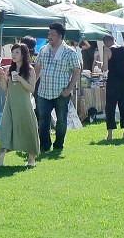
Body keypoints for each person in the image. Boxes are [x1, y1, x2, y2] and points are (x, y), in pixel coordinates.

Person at [34, 22, 81, 152]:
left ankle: (58, 145)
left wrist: (69, 89)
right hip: (43, 91)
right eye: (49, 34)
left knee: (61, 121)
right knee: (43, 119)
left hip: (61, 92)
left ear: (60, 36)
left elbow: (77, 71)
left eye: (52, 35)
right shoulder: (43, 50)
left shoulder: (69, 52)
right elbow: (37, 69)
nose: (49, 37)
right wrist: (32, 86)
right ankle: (45, 145)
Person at [0, 43, 40, 167]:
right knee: (5, 130)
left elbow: (31, 88)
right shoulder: (10, 69)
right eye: (13, 52)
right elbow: (5, 88)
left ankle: (31, 159)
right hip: (10, 104)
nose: (14, 55)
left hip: (24, 104)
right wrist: (2, 77)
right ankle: (0, 161)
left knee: (28, 129)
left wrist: (20, 79)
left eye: (17, 52)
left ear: (24, 55)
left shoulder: (30, 69)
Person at [102, 34, 124, 140]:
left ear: (105, 42)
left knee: (110, 108)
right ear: (114, 40)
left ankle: (110, 135)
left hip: (113, 82)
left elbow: (105, 68)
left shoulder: (107, 51)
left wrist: (101, 66)